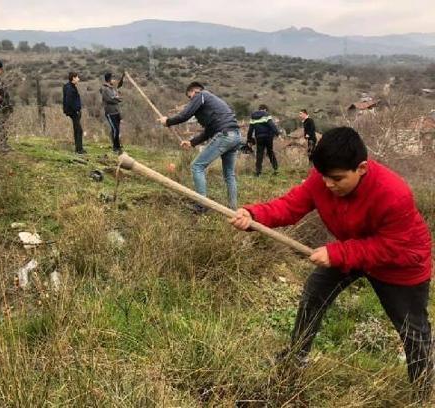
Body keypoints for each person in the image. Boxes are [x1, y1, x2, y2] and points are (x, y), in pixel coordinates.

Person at [230, 127, 433, 400]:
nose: (328, 185)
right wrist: (253, 214)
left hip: (400, 262)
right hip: (350, 249)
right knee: (313, 296)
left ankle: (423, 391)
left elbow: (391, 245)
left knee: (413, 329)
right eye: (324, 177)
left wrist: (339, 254)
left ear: (361, 168)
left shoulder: (393, 193)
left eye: (337, 179)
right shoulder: (322, 179)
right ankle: (295, 358)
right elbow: (291, 205)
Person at [159, 82, 242, 212]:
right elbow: (209, 131)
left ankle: (202, 205)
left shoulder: (201, 95)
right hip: (236, 136)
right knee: (229, 174)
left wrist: (167, 121)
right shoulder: (212, 103)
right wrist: (192, 142)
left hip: (225, 135)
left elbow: (184, 115)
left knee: (197, 166)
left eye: (189, 96)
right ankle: (232, 208)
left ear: (194, 91)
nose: (190, 100)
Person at [247, 104, 279, 176]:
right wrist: (277, 133)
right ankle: (276, 169)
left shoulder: (253, 117)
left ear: (259, 109)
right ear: (265, 109)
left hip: (259, 137)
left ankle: (258, 172)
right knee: (270, 152)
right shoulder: (266, 114)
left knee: (259, 154)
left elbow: (250, 130)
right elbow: (272, 125)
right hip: (268, 137)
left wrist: (249, 139)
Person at [100, 72, 125, 154]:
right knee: (115, 129)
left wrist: (117, 98)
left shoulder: (112, 88)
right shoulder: (105, 89)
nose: (114, 80)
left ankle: (118, 146)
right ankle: (115, 147)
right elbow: (110, 100)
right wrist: (117, 98)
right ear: (109, 79)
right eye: (113, 79)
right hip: (110, 113)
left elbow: (116, 98)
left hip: (116, 112)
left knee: (117, 130)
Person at [63, 72, 86, 154]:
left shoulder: (69, 86)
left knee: (77, 129)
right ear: (73, 78)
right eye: (77, 77)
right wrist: (76, 110)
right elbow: (69, 101)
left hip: (73, 111)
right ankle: (79, 150)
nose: (78, 79)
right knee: (79, 130)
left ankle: (78, 148)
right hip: (73, 112)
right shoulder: (70, 88)